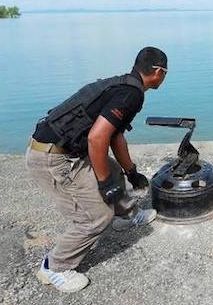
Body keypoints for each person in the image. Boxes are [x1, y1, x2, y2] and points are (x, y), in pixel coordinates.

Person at [26, 47, 168, 292]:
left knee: (112, 169)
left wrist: (130, 171)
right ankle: (55, 267)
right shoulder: (131, 94)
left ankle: (126, 215)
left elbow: (115, 136)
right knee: (96, 217)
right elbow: (97, 139)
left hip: (67, 151)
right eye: (165, 73)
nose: (164, 77)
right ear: (157, 72)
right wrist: (104, 184)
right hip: (52, 159)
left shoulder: (125, 86)